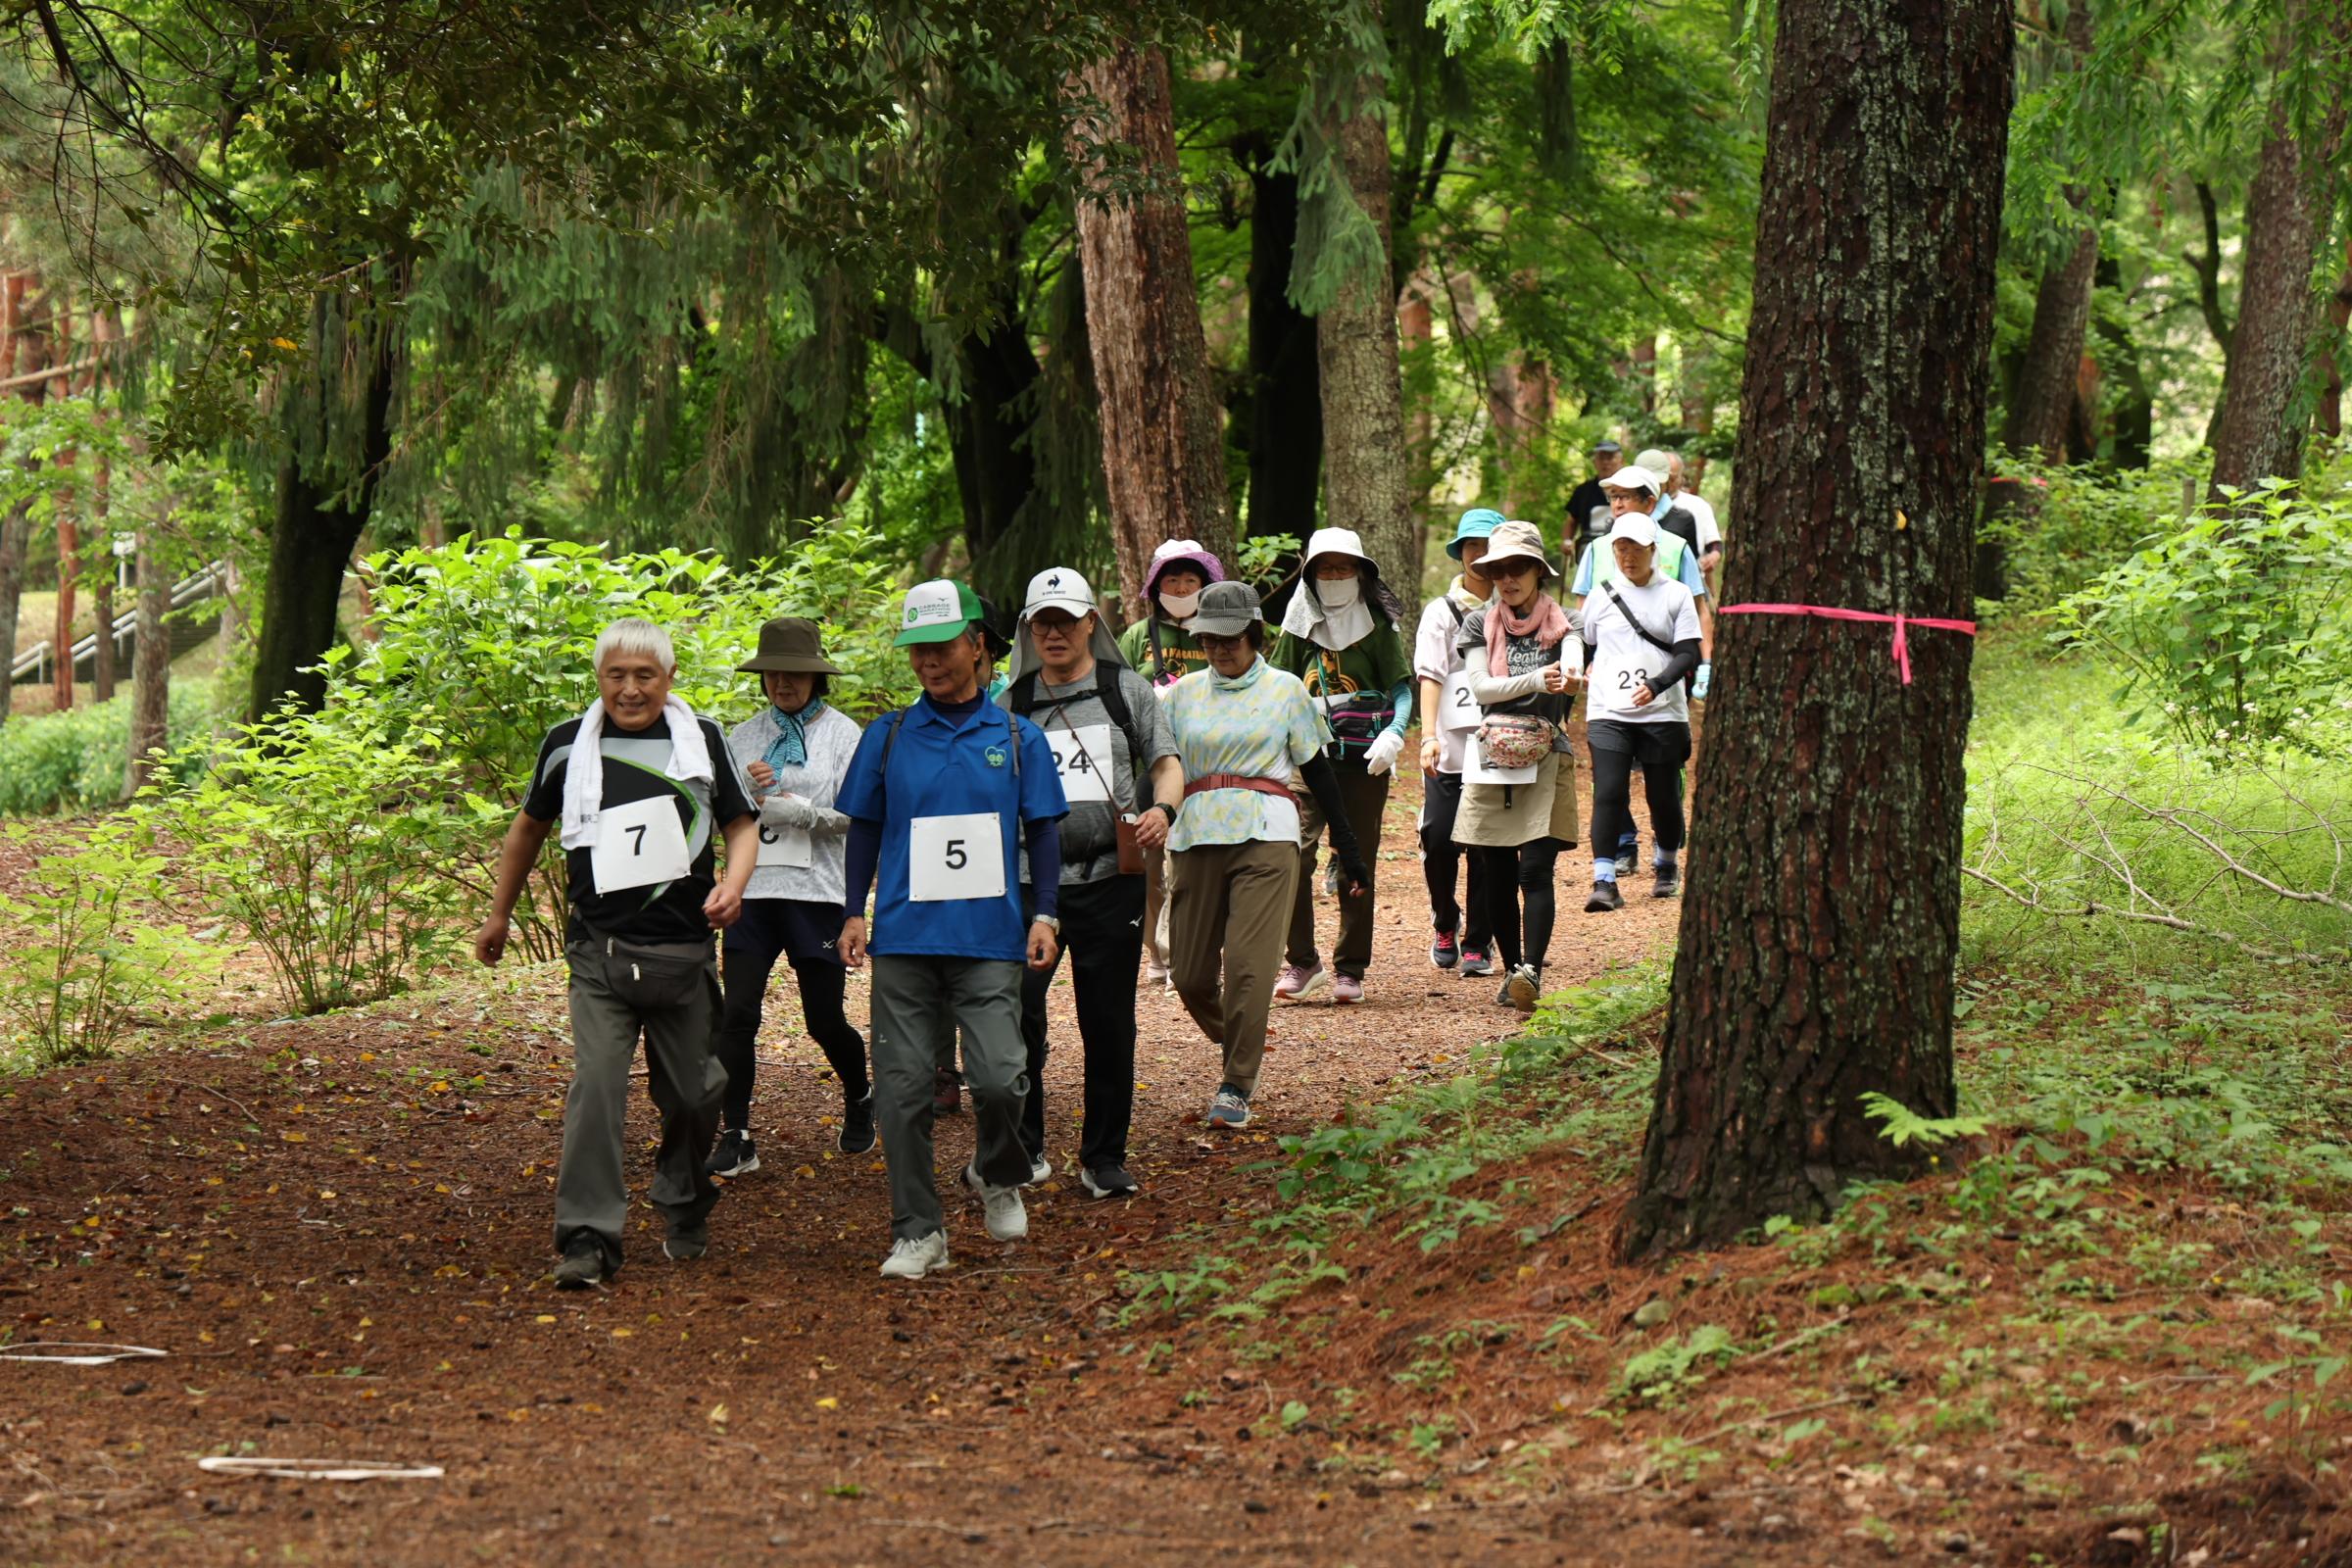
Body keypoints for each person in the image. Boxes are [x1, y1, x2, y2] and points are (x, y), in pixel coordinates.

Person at [473, 617, 759, 1290]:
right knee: (597, 1089)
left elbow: (741, 824)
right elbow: (528, 828)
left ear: (670, 678)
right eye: (616, 675)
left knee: (695, 1095)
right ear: (598, 678)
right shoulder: (567, 744)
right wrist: (499, 913)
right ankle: (587, 1236)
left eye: (645, 676)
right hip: (599, 953)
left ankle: (684, 1195)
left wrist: (734, 884)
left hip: (683, 955)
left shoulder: (702, 739)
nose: (630, 690)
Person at [835, 580, 1068, 1280]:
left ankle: (996, 1170)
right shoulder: (888, 736)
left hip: (989, 940)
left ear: (979, 646)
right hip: (905, 940)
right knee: (902, 1092)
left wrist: (1046, 913)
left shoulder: (1019, 738)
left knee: (1002, 1080)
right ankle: (918, 1231)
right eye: (917, 650)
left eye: (941, 647)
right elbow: (864, 828)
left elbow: (1043, 832)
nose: (928, 661)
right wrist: (853, 909)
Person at [1002, 566, 1183, 1200]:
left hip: (1112, 878)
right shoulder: (1011, 703)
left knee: (1107, 1020)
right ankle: (1024, 1145)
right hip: (1030, 883)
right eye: (1042, 624)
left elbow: (1166, 764)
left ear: (1090, 624)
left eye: (1066, 621)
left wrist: (1163, 809)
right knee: (1017, 1010)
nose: (1054, 634)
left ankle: (1104, 1156)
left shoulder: (1125, 690)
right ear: (1029, 631)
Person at [1162, 582, 1370, 1128]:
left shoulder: (1285, 690)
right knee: (1189, 975)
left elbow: (1318, 772)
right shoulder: (1181, 696)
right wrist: (1149, 813)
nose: (1219, 649)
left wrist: (1348, 848)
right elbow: (1162, 768)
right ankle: (1241, 1034)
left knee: (1250, 971)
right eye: (1209, 639)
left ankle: (1236, 1083)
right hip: (1196, 834)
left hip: (1266, 834)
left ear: (1255, 634)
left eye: (1230, 638)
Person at [706, 616, 868, 1181]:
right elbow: (721, 813)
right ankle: (736, 1133)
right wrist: (746, 800)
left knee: (823, 1019)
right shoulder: (741, 736)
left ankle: (860, 1095)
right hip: (751, 892)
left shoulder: (844, 735)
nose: (784, 682)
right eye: (774, 672)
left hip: (817, 893)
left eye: (796, 673)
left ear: (816, 677)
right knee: (736, 1014)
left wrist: (796, 810)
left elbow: (856, 817)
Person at [1268, 527, 1413, 1004]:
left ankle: (1350, 968)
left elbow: (1401, 688)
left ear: (1360, 572)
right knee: (1291, 854)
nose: (1334, 576)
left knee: (1358, 862)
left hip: (1362, 759)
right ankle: (1302, 959)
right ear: (1310, 575)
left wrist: (1395, 733)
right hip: (1305, 758)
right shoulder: (1297, 625)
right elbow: (1276, 684)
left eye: (1343, 568)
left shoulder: (1377, 624)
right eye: (1325, 569)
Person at [1451, 522, 1583, 1012]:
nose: (1507, 580)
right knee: (1497, 869)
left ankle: (1531, 972)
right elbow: (1481, 687)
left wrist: (1571, 678)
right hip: (1492, 758)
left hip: (1548, 754)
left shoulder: (1568, 621)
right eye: (1499, 570)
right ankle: (1512, 971)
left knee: (1535, 870)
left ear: (1537, 572)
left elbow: (1573, 664)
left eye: (1518, 569)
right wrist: (1537, 680)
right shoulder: (1477, 624)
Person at [1577, 464, 1714, 869]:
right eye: (1621, 548)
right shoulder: (1599, 580)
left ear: (1653, 548)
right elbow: (1585, 637)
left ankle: (1667, 860)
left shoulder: (1676, 581)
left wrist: (1666, 681)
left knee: (1662, 795)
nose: (1627, 555)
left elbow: (1691, 638)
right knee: (1608, 791)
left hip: (1662, 707)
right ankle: (1606, 874)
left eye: (1636, 548)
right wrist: (1580, 668)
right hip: (1609, 707)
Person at [1118, 539, 1227, 988]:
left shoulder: (1220, 632)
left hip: (1207, 762)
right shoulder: (1137, 637)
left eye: (1190, 580)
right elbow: (1117, 690)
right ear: (1156, 586)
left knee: (1202, 858)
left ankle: (1199, 947)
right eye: (1173, 580)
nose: (1181, 588)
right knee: (1150, 860)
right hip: (1150, 764)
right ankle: (1157, 949)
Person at [1414, 508, 1499, 976]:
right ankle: (1445, 920)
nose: (1479, 554)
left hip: (1499, 748)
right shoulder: (1440, 612)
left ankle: (1478, 941)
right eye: (1471, 545)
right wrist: (1428, 736)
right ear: (1460, 552)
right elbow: (1430, 675)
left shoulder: (1513, 608)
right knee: (1440, 838)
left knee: (1489, 845)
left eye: (1487, 545)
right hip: (1449, 748)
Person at [1561, 438, 1624, 557]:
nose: (1605, 462)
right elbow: (1571, 521)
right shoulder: (1583, 491)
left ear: (1621, 461)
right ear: (1594, 462)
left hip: (1623, 550)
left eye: (1610, 457)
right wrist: (1567, 541)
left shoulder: (1631, 490)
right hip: (1589, 551)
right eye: (1601, 458)